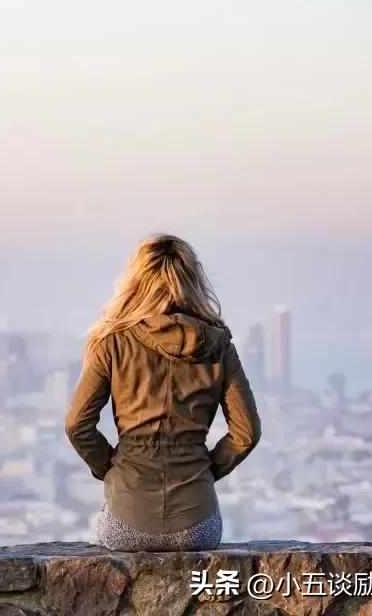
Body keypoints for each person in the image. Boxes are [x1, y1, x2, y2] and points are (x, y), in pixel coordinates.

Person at [64, 233, 261, 551]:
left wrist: (112, 469)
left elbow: (77, 425)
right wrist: (205, 471)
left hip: (126, 519)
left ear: (136, 281)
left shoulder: (112, 342)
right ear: (193, 280)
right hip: (198, 526)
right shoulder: (219, 345)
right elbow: (246, 433)